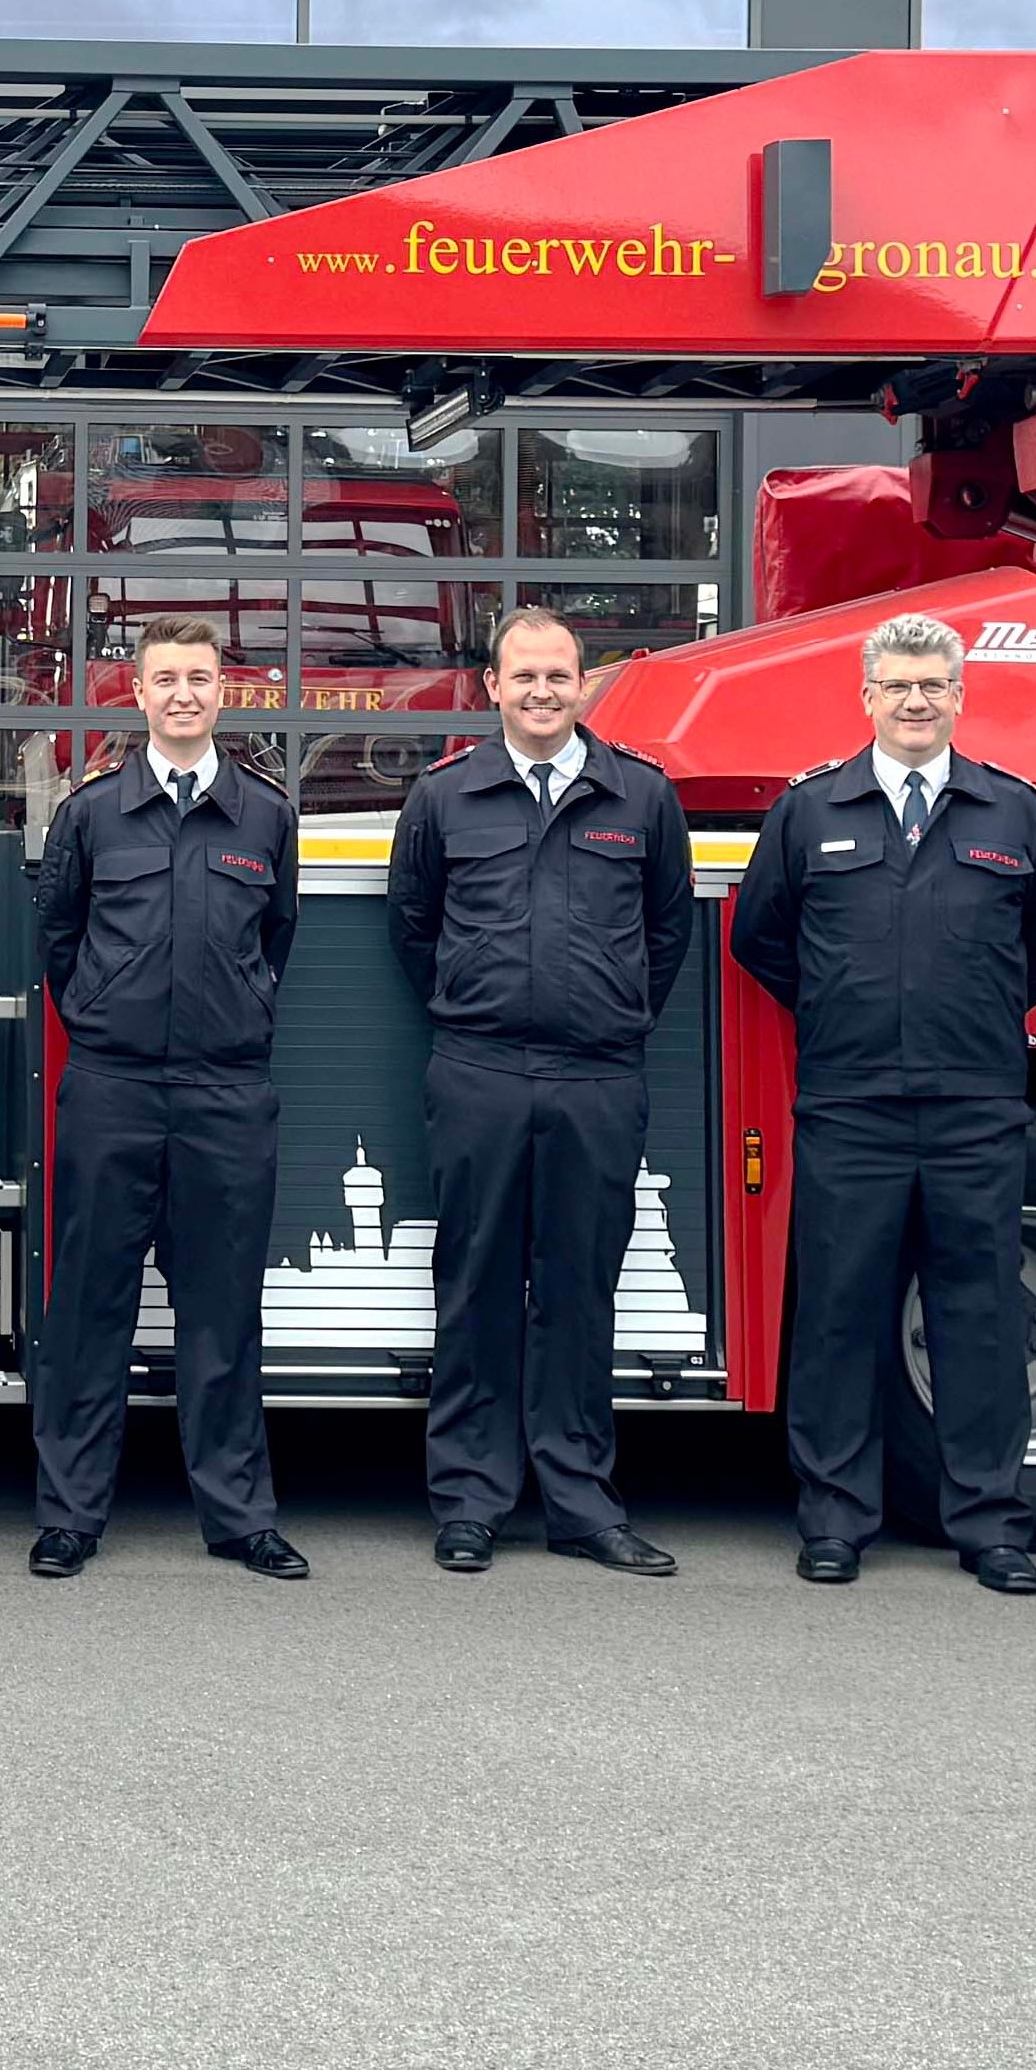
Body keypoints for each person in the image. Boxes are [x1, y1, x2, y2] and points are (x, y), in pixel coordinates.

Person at [729, 613, 1036, 1593]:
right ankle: (835, 1517)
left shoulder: (1009, 810)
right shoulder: (810, 810)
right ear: (867, 697)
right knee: (840, 1314)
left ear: (961, 697)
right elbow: (761, 937)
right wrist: (844, 1012)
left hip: (975, 1109)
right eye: (899, 686)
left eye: (934, 685)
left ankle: (990, 1522)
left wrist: (965, 1017)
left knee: (979, 1317)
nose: (917, 700)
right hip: (851, 1108)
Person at [387, 605, 692, 1578]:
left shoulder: (639, 797)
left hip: (597, 1074)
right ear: (492, 686)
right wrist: (477, 1002)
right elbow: (413, 924)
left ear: (582, 683)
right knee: (474, 1283)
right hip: (477, 1070)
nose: (541, 691)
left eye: (558, 675)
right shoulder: (444, 797)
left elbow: (667, 931)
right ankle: (470, 1497)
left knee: (577, 1288)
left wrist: (608, 1012)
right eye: (523, 676)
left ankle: (579, 1500)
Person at [27, 615, 306, 1582]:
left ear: (224, 692)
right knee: (89, 1307)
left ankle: (238, 1517)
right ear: (136, 694)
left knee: (222, 1311)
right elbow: (58, 937)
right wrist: (106, 1013)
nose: (182, 693)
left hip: (226, 1093)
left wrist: (238, 1012)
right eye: (164, 679)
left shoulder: (264, 815)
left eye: (199, 677)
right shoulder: (92, 811)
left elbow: (277, 937)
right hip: (112, 1087)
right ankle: (68, 1513)